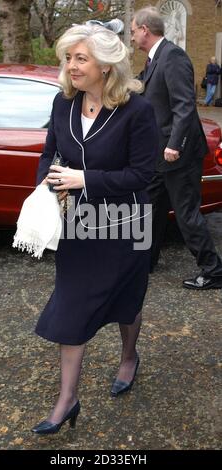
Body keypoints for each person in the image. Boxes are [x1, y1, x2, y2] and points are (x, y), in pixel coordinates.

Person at [31, 23, 158, 435]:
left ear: (106, 65)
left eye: (80, 58)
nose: (71, 66)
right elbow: (51, 150)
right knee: (72, 305)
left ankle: (128, 356)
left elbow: (143, 174)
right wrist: (44, 189)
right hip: (79, 226)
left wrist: (84, 179)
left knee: (127, 303)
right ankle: (67, 399)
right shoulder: (62, 103)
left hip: (125, 226)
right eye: (68, 58)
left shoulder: (137, 111)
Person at [131, 6, 222, 290]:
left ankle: (214, 270)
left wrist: (174, 146)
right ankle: (146, 260)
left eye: (133, 31)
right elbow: (144, 90)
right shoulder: (153, 59)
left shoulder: (173, 56)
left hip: (178, 154)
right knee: (152, 205)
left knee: (186, 214)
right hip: (160, 153)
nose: (132, 36)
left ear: (145, 30)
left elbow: (184, 105)